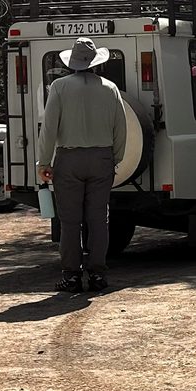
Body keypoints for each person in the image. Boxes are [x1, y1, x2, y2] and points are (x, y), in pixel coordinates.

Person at [37, 37, 129, 293]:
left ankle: (71, 275)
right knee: (99, 219)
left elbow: (49, 128)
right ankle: (98, 274)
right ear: (96, 64)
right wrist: (115, 158)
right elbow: (121, 128)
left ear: (71, 64)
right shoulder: (110, 88)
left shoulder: (59, 87)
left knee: (70, 221)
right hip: (102, 158)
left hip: (69, 159)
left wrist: (44, 161)